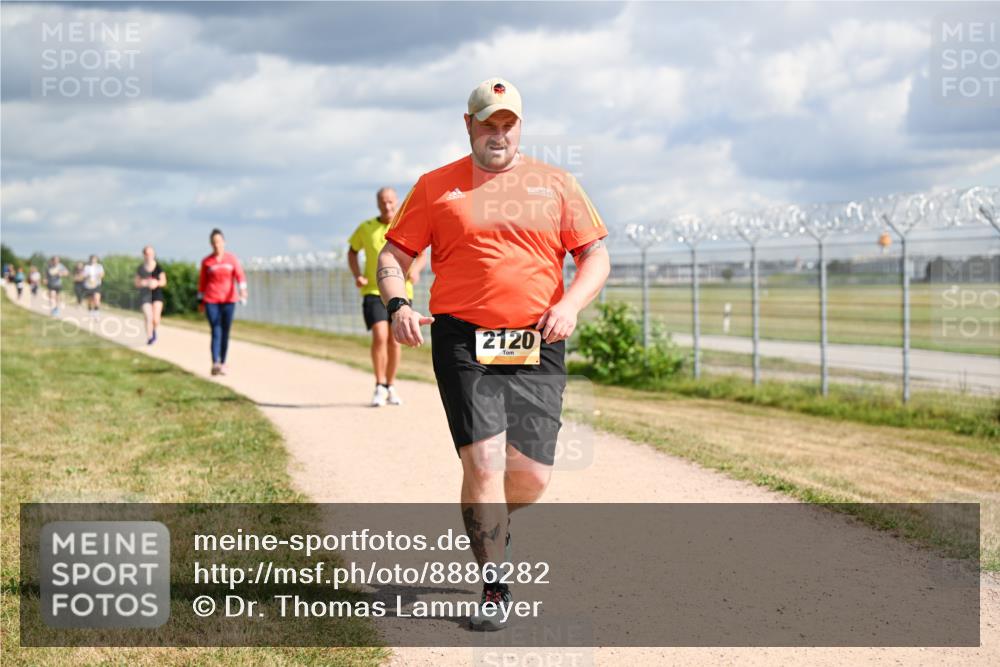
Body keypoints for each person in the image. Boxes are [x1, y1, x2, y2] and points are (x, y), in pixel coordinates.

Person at [377, 77, 610, 630]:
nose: (497, 133)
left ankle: (491, 516)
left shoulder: (556, 184)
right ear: (469, 125)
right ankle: (495, 584)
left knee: (529, 477)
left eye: (507, 124)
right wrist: (398, 304)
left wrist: (572, 305)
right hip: (462, 338)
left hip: (537, 336)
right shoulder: (436, 186)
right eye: (488, 123)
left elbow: (595, 256)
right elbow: (394, 253)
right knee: (482, 461)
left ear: (520, 127)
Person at [348, 187, 427, 407]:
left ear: (397, 201)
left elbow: (421, 253)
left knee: (395, 339)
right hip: (373, 291)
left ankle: (391, 385)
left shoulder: (404, 224)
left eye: (391, 201)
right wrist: (358, 275)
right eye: (383, 202)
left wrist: (417, 269)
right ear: (377, 203)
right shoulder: (366, 228)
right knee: (380, 335)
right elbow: (352, 252)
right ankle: (379, 384)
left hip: (401, 292)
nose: (387, 206)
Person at [197, 228, 247, 375]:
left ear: (224, 242)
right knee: (216, 329)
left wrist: (243, 290)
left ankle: (223, 361)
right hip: (211, 300)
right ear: (211, 244)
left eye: (219, 242)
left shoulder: (231, 259)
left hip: (229, 300)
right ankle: (215, 362)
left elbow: (240, 276)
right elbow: (202, 283)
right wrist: (200, 301)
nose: (217, 245)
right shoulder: (207, 262)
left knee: (225, 331)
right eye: (214, 242)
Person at [135, 245, 167, 345]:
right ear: (144, 255)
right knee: (148, 316)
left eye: (151, 254)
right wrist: (144, 283)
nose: (149, 256)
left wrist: (156, 283)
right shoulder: (140, 268)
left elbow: (164, 281)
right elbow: (136, 283)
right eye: (147, 254)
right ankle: (149, 337)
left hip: (157, 294)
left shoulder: (158, 267)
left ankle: (153, 331)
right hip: (145, 295)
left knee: (155, 319)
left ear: (154, 255)